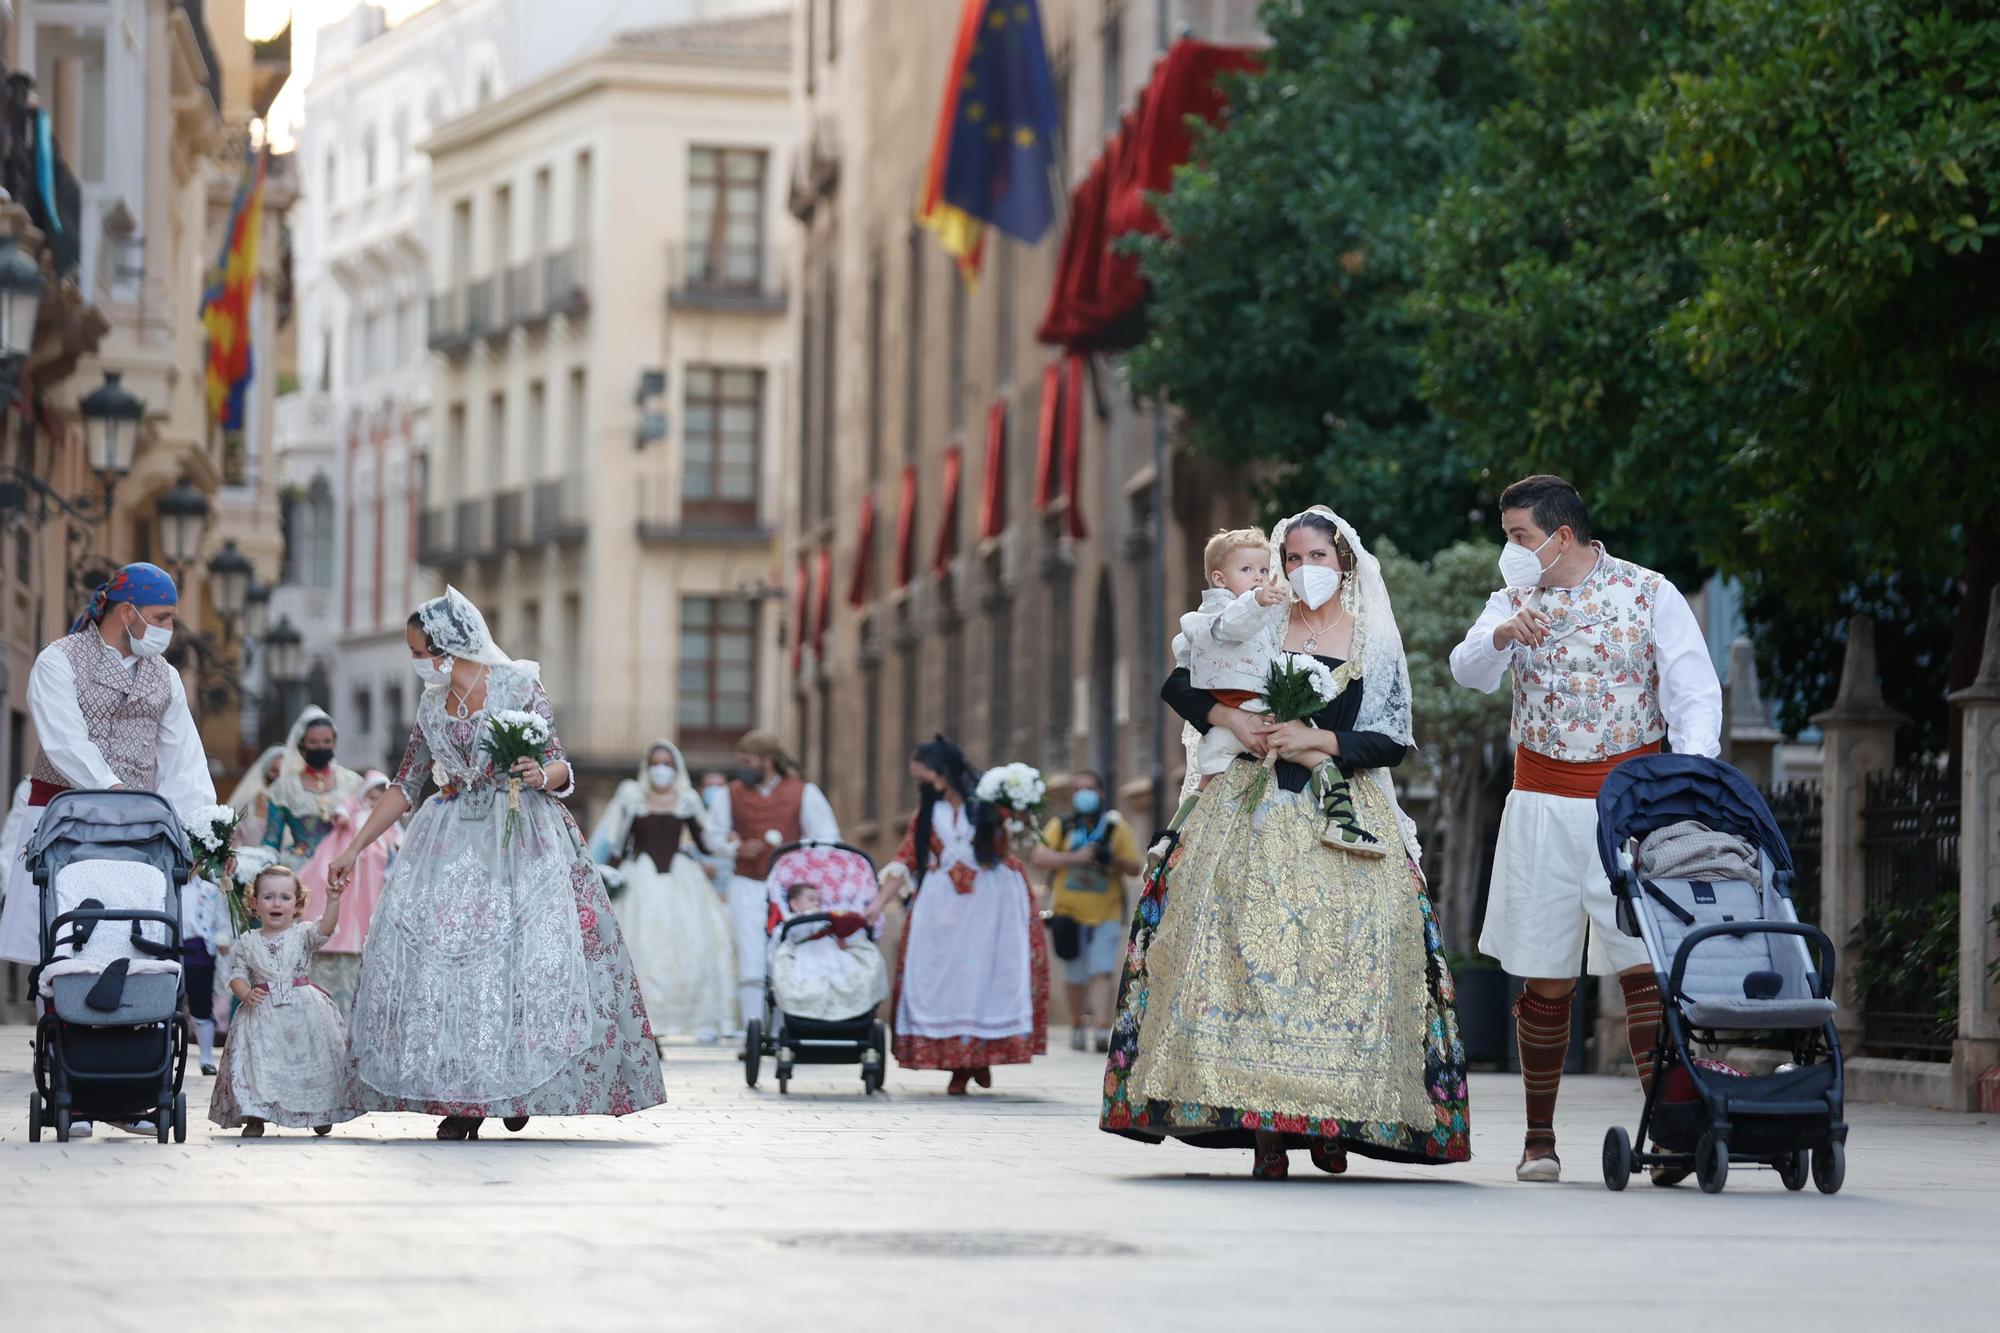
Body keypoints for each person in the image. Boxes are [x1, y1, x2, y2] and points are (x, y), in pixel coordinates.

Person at [1103, 507, 1470, 1181]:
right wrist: (1235, 720)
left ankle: (1335, 1116)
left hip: (1342, 808)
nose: (1306, 571)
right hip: (1247, 803)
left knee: (1347, 962)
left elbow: (1389, 738)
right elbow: (1179, 683)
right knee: (1242, 960)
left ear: (1345, 563)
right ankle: (1265, 1129)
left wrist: (1319, 739)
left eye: (1319, 557)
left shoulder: (1370, 637)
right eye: (1293, 558)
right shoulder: (1256, 619)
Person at [1449, 474, 1722, 1183]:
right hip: (1541, 801)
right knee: (1546, 975)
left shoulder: (1648, 591)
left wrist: (1684, 783)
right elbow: (1467, 670)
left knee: (1643, 970)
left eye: (1519, 537)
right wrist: (1504, 633)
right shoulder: (1510, 601)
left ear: (1561, 536)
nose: (1509, 550)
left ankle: (1668, 1132)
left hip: (1628, 806)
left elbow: (1693, 692)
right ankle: (1539, 1140)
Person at [328, 588, 664, 1139]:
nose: (416, 662)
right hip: (450, 837)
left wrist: (539, 773)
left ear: (448, 645)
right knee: (452, 967)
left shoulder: (517, 685)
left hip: (523, 838)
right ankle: (464, 1101)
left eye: (419, 650)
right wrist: (354, 847)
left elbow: (557, 763)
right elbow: (406, 783)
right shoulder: (431, 704)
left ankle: (516, 1085)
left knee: (522, 963)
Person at [0, 564, 215, 982]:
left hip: (135, 834)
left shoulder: (166, 676)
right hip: (61, 824)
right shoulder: (58, 660)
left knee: (130, 938)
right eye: (162, 617)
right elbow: (66, 742)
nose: (170, 627)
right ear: (127, 613)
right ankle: (61, 1022)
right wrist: (116, 793)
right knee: (60, 936)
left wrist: (196, 829)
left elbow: (184, 761)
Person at [868, 736, 1047, 1095]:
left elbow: (1019, 838)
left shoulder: (987, 804)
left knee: (984, 977)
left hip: (988, 903)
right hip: (941, 908)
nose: (923, 783)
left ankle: (974, 1060)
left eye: (926, 776)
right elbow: (906, 859)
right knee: (946, 981)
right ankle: (961, 1060)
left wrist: (1017, 809)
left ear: (942, 771)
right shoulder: (927, 815)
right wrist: (877, 903)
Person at [589, 740, 736, 1045]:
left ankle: (698, 1018)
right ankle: (646, 1019)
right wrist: (605, 880)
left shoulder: (687, 800)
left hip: (683, 879)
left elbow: (706, 842)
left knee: (695, 941)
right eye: (656, 763)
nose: (661, 770)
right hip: (642, 878)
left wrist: (732, 845)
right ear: (647, 766)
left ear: (676, 767)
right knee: (641, 943)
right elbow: (617, 845)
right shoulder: (633, 798)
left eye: (667, 764)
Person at [703, 730, 840, 1032]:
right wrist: (736, 847)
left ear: (767, 761)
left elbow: (827, 838)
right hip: (746, 883)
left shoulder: (804, 792)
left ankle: (782, 1030)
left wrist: (799, 858)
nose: (743, 767)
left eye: (748, 760)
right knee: (751, 957)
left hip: (789, 891)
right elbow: (711, 834)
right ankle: (754, 1031)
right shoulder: (731, 794)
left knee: (785, 953)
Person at [209, 864, 360, 1137]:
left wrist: (334, 900)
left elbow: (324, 929)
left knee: (308, 1062)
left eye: (285, 897)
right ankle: (256, 1113)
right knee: (257, 1064)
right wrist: (245, 993)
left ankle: (320, 1110)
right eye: (268, 897)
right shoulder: (247, 941)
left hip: (304, 1012)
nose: (276, 903)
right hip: (262, 1013)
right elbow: (237, 975)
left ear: (297, 904)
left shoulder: (302, 934)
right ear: (254, 904)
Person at [1029, 772, 1141, 1052]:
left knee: (1102, 969)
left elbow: (1135, 867)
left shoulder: (1116, 828)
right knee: (1075, 974)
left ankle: (1102, 1027)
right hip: (1068, 912)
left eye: (1089, 789)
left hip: (1107, 911)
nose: (1084, 795)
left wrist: (1110, 859)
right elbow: (1039, 856)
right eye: (1078, 790)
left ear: (1101, 793)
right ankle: (1078, 1023)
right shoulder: (1062, 826)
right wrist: (1072, 857)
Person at [298, 770, 399, 1021]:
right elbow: (344, 808)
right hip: (351, 855)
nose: (375, 802)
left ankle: (363, 935)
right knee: (341, 890)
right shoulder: (356, 808)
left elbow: (397, 835)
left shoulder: (383, 822)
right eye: (372, 796)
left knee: (368, 903)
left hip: (373, 870)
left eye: (379, 798)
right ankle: (337, 930)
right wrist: (343, 816)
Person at [769, 882, 888, 1023]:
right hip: (806, 958)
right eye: (811, 899)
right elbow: (779, 946)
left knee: (846, 979)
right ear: (794, 904)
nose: (817, 904)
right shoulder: (789, 925)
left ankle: (845, 1011)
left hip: (832, 957)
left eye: (819, 901)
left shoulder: (827, 923)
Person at [263, 707, 365, 870]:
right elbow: (271, 841)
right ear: (302, 745)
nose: (321, 747)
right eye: (314, 742)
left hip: (348, 868)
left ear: (334, 743)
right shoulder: (284, 787)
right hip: (302, 869)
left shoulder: (353, 782)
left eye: (326, 742)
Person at [180, 867, 234, 1075]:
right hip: (169, 948)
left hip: (199, 952)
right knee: (167, 1004)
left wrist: (223, 941)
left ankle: (206, 1058)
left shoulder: (210, 890)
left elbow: (222, 923)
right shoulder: (165, 885)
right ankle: (163, 1054)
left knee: (201, 1005)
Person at [225, 746, 287, 850]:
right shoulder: (246, 800)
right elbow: (229, 835)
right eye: (274, 771)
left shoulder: (291, 804)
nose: (278, 778)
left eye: (282, 773)